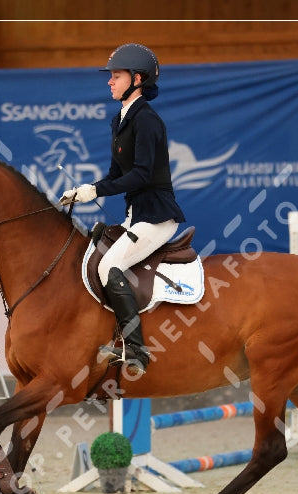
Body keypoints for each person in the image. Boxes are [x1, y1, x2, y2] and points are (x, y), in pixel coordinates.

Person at [61, 42, 185, 376]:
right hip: (136, 214)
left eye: (116, 76)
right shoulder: (121, 118)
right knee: (95, 250)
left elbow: (142, 174)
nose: (109, 82)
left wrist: (94, 192)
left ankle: (136, 350)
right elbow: (118, 174)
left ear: (137, 78)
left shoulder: (147, 121)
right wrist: (83, 191)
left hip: (157, 216)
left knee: (109, 268)